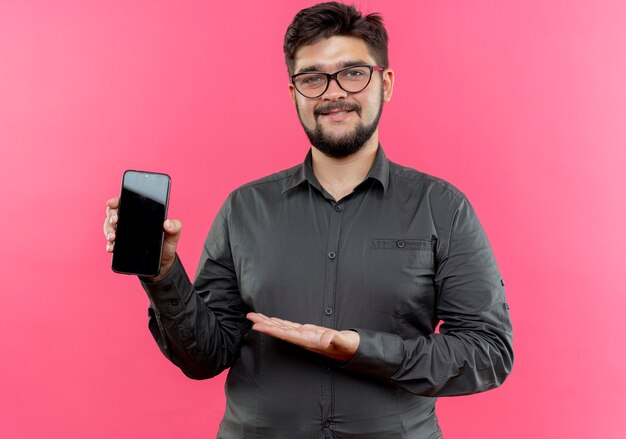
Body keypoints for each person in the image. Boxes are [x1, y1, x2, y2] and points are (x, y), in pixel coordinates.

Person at [104, 2, 513, 437]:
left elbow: (487, 352)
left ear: (385, 83)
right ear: (294, 94)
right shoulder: (244, 209)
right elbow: (204, 356)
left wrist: (360, 348)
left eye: (353, 73)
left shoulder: (442, 208)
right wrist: (163, 272)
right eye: (313, 78)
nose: (333, 92)